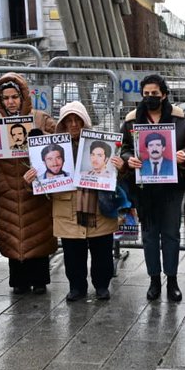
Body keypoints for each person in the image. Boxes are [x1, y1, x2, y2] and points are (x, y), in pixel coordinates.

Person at [29, 101, 129, 302]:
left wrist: (122, 167)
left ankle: (102, 285)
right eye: (68, 121)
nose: (73, 125)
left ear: (86, 122)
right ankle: (76, 287)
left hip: (98, 205)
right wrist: (33, 177)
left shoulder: (100, 145)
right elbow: (45, 178)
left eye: (78, 120)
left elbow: (115, 177)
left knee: (102, 250)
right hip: (66, 206)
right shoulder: (54, 149)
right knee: (73, 253)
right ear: (62, 125)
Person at [120, 73, 185, 302]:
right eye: (146, 94)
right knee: (149, 236)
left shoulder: (178, 119)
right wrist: (128, 158)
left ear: (163, 94)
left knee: (171, 234)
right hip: (145, 189)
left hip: (172, 188)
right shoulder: (132, 120)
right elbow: (123, 147)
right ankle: (154, 280)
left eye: (155, 94)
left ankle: (172, 280)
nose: (150, 98)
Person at [0, 73, 58, 295]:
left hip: (36, 187)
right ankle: (18, 280)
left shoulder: (40, 118)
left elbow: (60, 138)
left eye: (14, 97)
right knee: (12, 234)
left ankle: (39, 279)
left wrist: (42, 134)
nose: (10, 102)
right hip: (7, 188)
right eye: (6, 98)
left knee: (39, 232)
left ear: (23, 97)